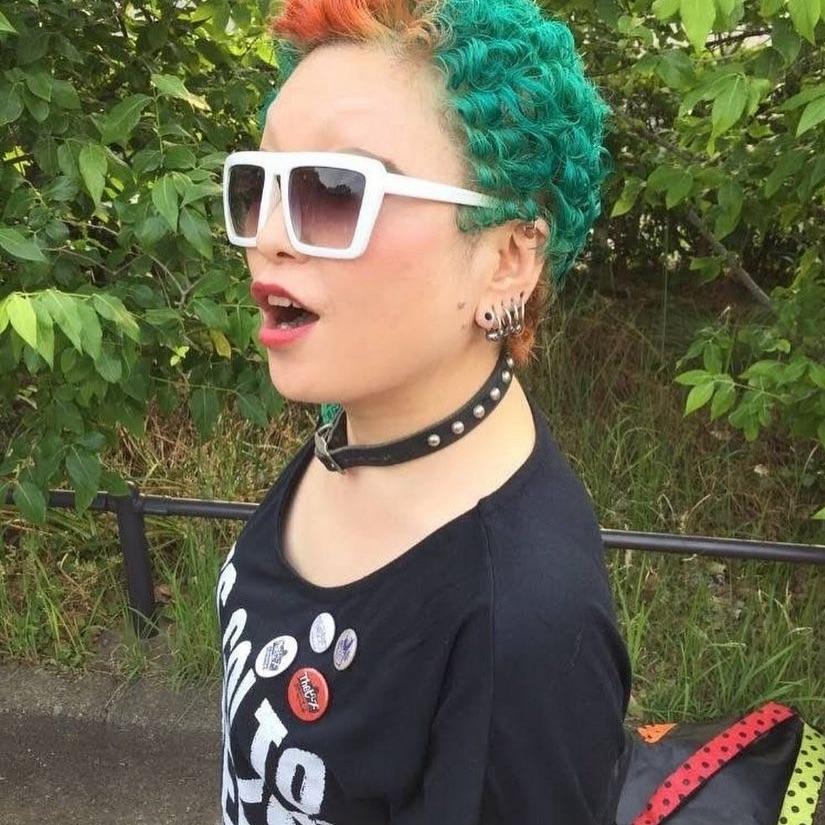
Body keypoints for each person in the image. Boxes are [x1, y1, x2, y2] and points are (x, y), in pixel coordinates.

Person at [215, 0, 632, 823]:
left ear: (507, 258)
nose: (267, 236)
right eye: (260, 184)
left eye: (335, 191)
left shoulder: (521, 627)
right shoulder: (359, 430)